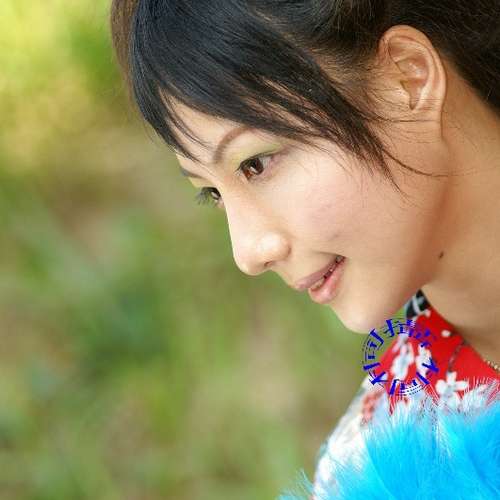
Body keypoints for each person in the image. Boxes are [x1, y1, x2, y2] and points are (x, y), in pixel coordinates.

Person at [109, 1, 500, 498]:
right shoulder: (390, 470)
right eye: (212, 193)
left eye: (255, 164)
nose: (247, 253)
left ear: (409, 78)